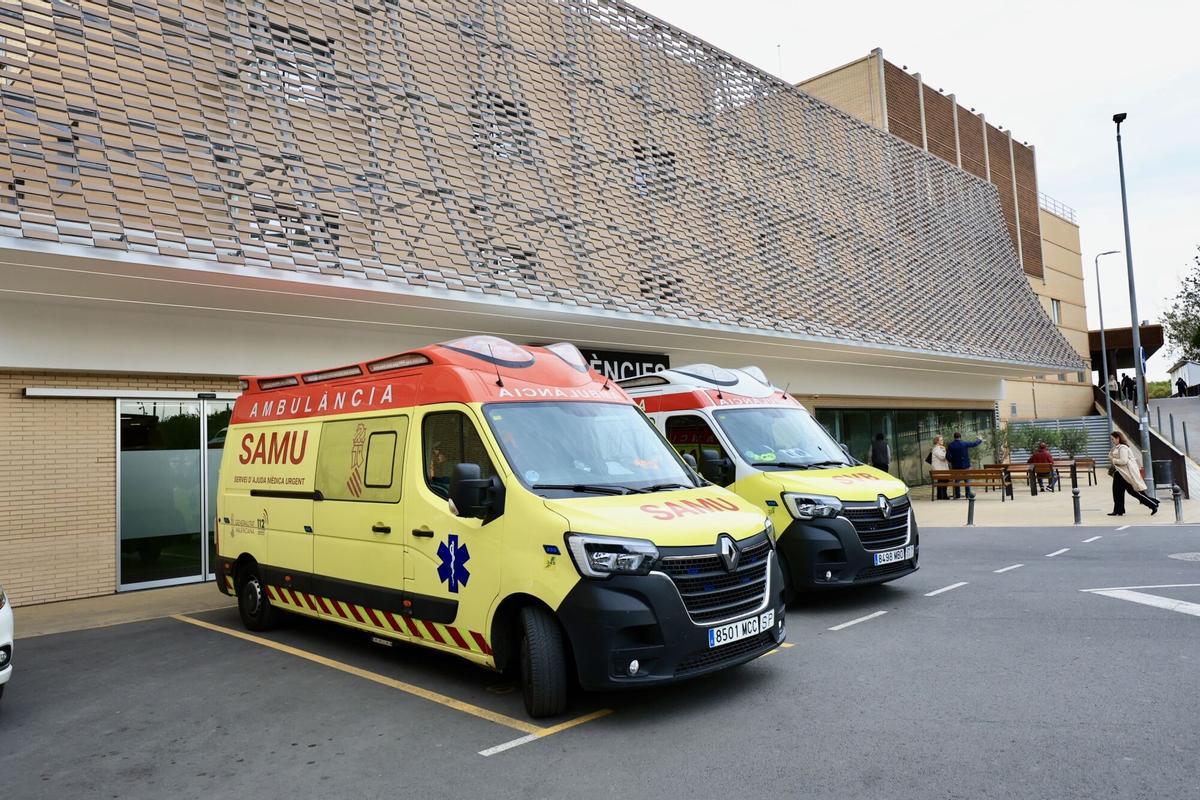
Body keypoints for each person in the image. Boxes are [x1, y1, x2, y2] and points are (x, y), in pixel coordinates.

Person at [946, 431, 982, 498]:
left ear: (954, 437)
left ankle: (957, 495)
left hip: (955, 466)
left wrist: (952, 461)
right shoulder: (964, 443)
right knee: (967, 480)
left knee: (957, 480)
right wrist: (979, 440)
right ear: (960, 437)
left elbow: (947, 456)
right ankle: (967, 495)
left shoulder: (950, 445)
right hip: (965, 466)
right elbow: (974, 444)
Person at [929, 435, 949, 500]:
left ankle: (941, 496)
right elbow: (943, 457)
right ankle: (943, 496)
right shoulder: (937, 449)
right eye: (941, 440)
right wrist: (945, 450)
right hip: (940, 470)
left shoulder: (937, 448)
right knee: (944, 481)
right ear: (937, 441)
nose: (943, 441)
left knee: (943, 481)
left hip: (940, 470)